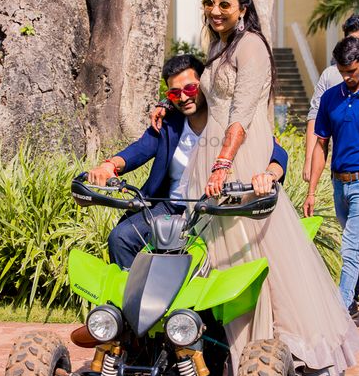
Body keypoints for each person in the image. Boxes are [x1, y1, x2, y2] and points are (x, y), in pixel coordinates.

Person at [155, 0, 359, 376]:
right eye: (209, 3)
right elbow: (208, 106)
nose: (215, 11)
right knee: (219, 267)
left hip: (239, 165)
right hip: (212, 160)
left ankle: (269, 359)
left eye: (224, 5)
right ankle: (224, 361)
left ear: (243, 8)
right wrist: (167, 105)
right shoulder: (217, 47)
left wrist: (223, 165)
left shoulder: (251, 48)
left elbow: (242, 115)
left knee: (252, 263)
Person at [88, 54, 288, 270]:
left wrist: (268, 176)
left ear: (204, 85)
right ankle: (132, 299)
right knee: (121, 238)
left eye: (190, 89)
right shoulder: (169, 124)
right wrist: (109, 165)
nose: (183, 97)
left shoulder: (228, 124)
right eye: (174, 93)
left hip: (212, 209)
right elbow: (140, 149)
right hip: (168, 207)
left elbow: (277, 153)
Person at [303, 37, 359, 330]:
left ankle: (340, 312)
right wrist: (311, 190)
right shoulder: (331, 98)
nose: (346, 76)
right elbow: (320, 146)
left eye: (351, 71)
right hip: (339, 184)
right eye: (342, 71)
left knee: (350, 246)